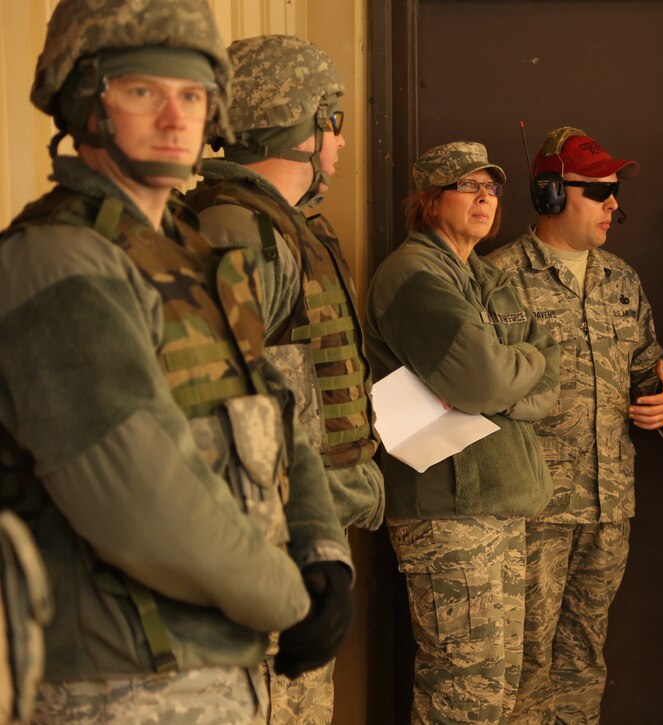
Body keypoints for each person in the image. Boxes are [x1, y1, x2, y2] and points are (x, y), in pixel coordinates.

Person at [0, 1, 353, 720]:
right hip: (118, 680)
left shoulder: (189, 253)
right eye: (143, 91)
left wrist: (323, 551)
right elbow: (139, 499)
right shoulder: (57, 260)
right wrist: (291, 598)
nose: (175, 118)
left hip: (213, 667)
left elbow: (277, 411)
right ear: (84, 101)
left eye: (192, 95)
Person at [183, 34, 383, 723]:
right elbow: (218, 413)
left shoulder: (277, 227)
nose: (342, 142)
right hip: (266, 552)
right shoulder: (239, 231)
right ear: (304, 126)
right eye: (335, 121)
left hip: (299, 540)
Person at [489, 126, 663, 724]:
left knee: (583, 659)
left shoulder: (620, 279)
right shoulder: (499, 278)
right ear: (551, 194)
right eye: (599, 191)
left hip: (608, 507)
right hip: (531, 508)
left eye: (615, 192)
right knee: (523, 663)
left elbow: (650, 365)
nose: (613, 205)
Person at [363, 141, 559, 724]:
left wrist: (508, 380)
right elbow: (480, 379)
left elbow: (550, 372)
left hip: (497, 504)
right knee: (463, 696)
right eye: (467, 185)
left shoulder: (484, 274)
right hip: (449, 507)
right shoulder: (413, 274)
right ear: (430, 200)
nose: (485, 197)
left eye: (491, 187)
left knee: (497, 693)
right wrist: (504, 378)